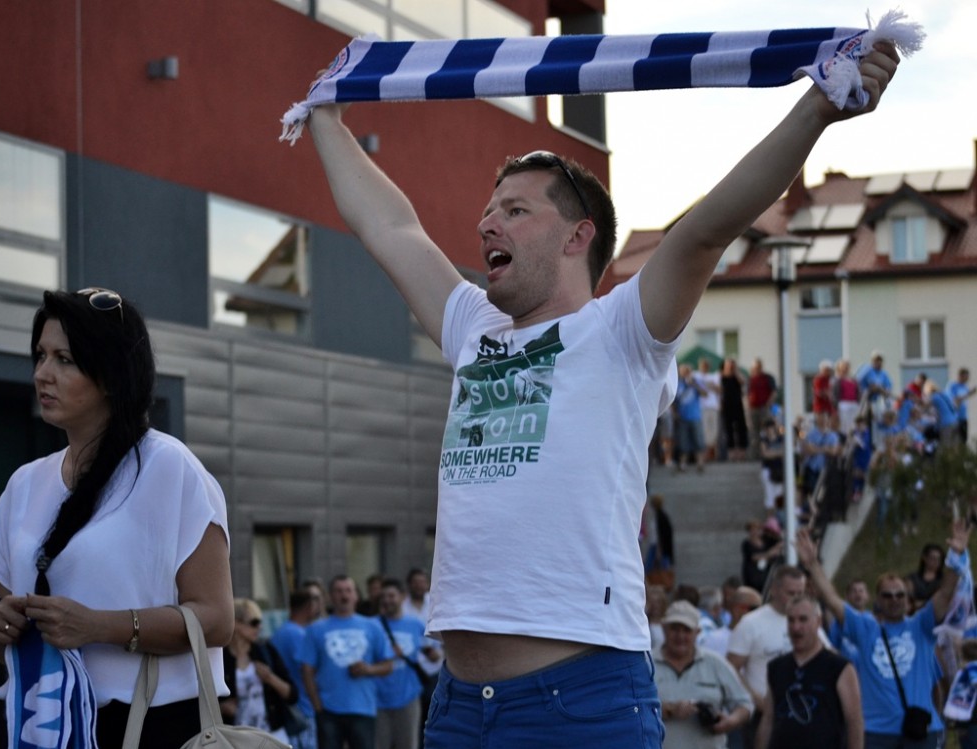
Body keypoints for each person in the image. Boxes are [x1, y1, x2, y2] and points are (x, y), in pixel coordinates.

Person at [304, 39, 899, 749]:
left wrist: (817, 109)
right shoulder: (472, 326)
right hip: (459, 708)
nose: (486, 224)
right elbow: (390, 226)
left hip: (582, 705)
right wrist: (324, 117)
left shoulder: (622, 330)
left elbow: (708, 228)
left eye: (515, 211)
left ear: (576, 236)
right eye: (489, 211)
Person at [0, 288, 233, 747]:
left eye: (64, 360)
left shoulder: (169, 467)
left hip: (151, 725)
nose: (42, 374)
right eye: (40, 356)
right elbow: (5, 642)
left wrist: (99, 626)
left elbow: (216, 620)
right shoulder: (23, 485)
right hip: (41, 725)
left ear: (113, 376)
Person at [797, 521, 971, 748]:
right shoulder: (865, 628)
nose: (894, 600)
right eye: (887, 595)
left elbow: (946, 593)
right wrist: (812, 564)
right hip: (876, 733)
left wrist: (956, 554)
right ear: (878, 599)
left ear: (908, 599)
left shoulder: (921, 625)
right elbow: (831, 599)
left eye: (900, 595)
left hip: (920, 731)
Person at [755, 596, 864, 749]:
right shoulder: (776, 667)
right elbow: (768, 719)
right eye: (791, 620)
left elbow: (854, 722)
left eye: (803, 620)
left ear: (818, 622)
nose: (796, 627)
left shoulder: (839, 668)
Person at [300, 575, 394, 749]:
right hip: (328, 710)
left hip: (363, 708)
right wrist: (317, 706)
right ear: (330, 596)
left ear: (356, 595)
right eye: (339, 591)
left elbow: (388, 665)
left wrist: (368, 669)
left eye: (348, 591)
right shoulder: (315, 629)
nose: (344, 595)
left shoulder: (373, 626)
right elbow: (307, 670)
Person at [728, 565, 810, 746]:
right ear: (774, 590)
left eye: (801, 593)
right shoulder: (751, 623)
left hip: (802, 711)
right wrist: (755, 699)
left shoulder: (809, 621)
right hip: (763, 713)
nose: (796, 598)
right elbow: (730, 667)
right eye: (791, 593)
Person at [655, 601, 753, 749]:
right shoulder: (646, 665)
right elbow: (630, 709)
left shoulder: (716, 663)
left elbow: (745, 704)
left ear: (698, 632)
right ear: (664, 629)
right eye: (674, 629)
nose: (680, 636)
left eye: (686, 630)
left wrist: (730, 721)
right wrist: (668, 710)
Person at [221, 598, 298, 743]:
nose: (259, 627)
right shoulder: (220, 659)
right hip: (236, 739)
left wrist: (270, 678)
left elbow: (292, 695)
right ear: (236, 623)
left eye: (260, 622)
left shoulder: (266, 652)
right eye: (254, 622)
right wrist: (221, 707)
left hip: (272, 734)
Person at [375, 578, 438, 749]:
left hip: (408, 696)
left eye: (391, 596)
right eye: (383, 596)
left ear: (402, 597)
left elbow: (432, 653)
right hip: (378, 699)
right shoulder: (373, 625)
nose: (387, 600)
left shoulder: (415, 624)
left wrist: (433, 654)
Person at [271, 586, 324, 748]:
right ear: (309, 607)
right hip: (302, 709)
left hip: (290, 708)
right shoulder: (298, 635)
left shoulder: (281, 632)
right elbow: (309, 670)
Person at [675, 363, 709, 471]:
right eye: (683, 371)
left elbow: (705, 393)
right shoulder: (677, 383)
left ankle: (700, 463)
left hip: (695, 416)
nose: (685, 373)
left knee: (698, 441)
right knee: (683, 442)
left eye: (687, 371)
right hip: (682, 417)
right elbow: (673, 400)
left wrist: (694, 384)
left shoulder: (696, 382)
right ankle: (682, 464)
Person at [747, 359, 777, 458]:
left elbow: (774, 392)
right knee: (754, 432)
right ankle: (755, 454)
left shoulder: (768, 378)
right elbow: (747, 393)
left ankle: (769, 451)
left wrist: (769, 403)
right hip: (753, 409)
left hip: (764, 408)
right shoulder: (751, 379)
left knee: (767, 429)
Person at [721, 358, 749, 461]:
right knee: (729, 429)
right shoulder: (721, 377)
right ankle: (731, 453)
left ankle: (742, 452)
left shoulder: (737, 376)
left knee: (741, 428)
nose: (730, 367)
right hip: (727, 405)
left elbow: (743, 382)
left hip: (738, 405)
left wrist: (736, 371)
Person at [696, 357, 723, 462]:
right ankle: (705, 454)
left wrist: (712, 386)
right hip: (702, 407)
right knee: (705, 431)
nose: (704, 367)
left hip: (713, 407)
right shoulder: (696, 376)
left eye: (706, 365)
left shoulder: (713, 377)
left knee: (714, 431)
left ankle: (712, 453)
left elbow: (720, 390)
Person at [905, 544, 945, 611]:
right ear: (925, 558)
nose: (935, 562)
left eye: (938, 559)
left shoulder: (943, 580)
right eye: (932, 558)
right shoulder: (912, 578)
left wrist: (923, 603)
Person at [947, 368, 976, 444]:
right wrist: (968, 394)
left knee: (963, 439)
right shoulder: (953, 386)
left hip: (963, 417)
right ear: (961, 376)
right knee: (955, 440)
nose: (967, 379)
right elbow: (954, 400)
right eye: (966, 377)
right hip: (955, 418)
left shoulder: (965, 386)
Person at [834, 359, 861, 437]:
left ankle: (853, 437)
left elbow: (858, 391)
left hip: (854, 403)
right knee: (844, 425)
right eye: (843, 367)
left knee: (854, 423)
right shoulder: (837, 379)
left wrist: (858, 401)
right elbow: (834, 393)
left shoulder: (853, 379)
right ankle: (844, 438)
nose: (845, 368)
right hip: (843, 404)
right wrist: (835, 405)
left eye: (847, 366)